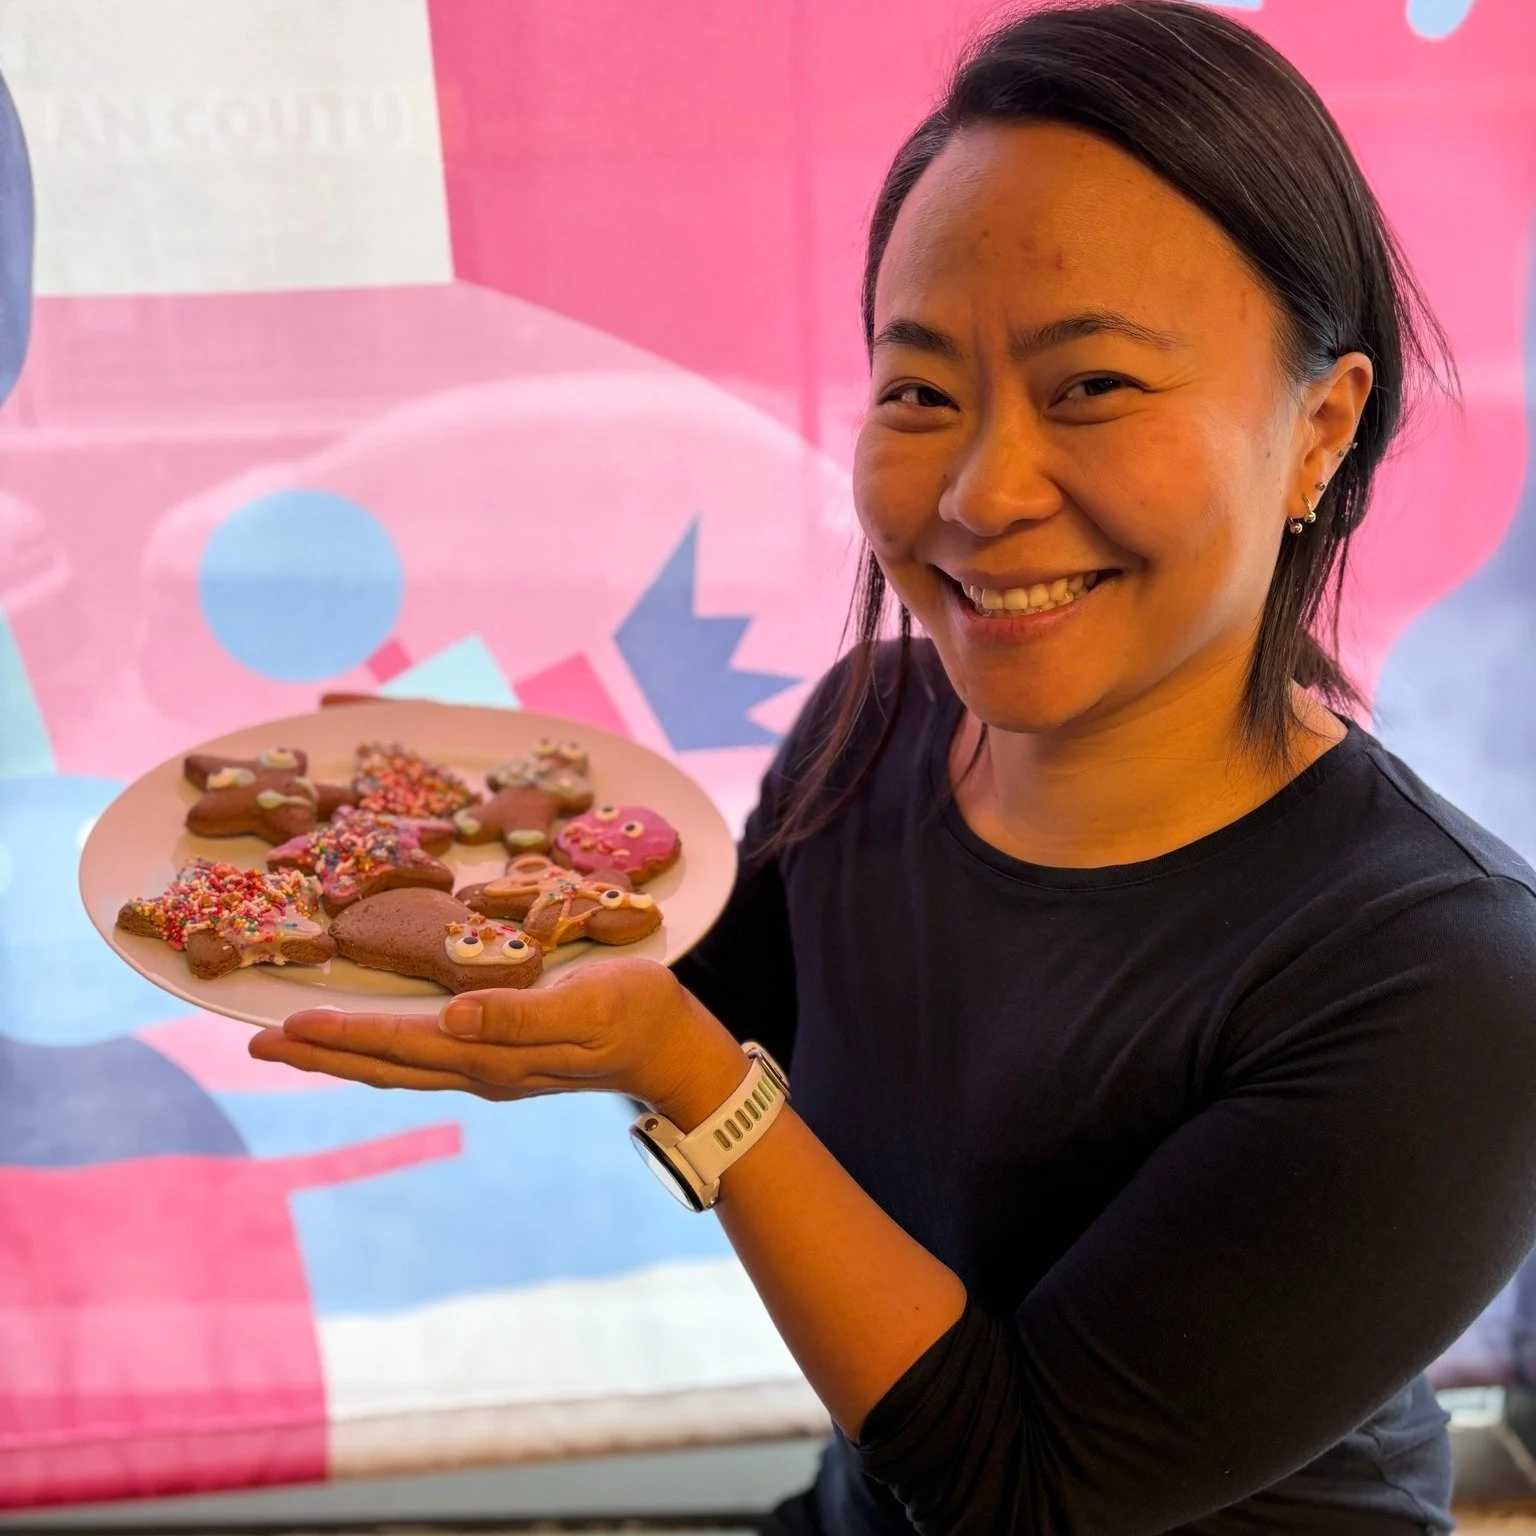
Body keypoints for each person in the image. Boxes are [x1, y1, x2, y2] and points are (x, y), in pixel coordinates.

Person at [252, 3, 1536, 1530]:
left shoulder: (1452, 982)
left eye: (1095, 388)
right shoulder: (875, 725)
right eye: (921, 391)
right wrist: (434, 834)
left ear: (1320, 426)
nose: (984, 491)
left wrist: (689, 1080)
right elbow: (697, 1014)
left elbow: (1027, 1488)